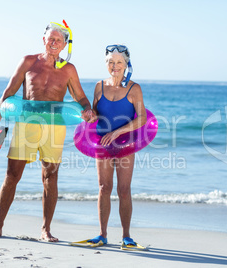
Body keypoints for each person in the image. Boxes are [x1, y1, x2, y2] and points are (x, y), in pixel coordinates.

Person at [0, 22, 94, 242]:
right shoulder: (28, 61)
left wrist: (87, 109)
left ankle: (46, 229)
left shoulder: (68, 69)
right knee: (12, 175)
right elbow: (8, 93)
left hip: (54, 128)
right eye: (50, 39)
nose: (53, 43)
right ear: (43, 40)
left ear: (64, 45)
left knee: (50, 177)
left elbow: (80, 97)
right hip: (27, 124)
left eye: (58, 40)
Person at [87, 44, 147, 247]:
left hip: (125, 145)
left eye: (119, 62)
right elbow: (95, 114)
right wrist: (90, 116)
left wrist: (117, 133)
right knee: (104, 188)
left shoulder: (134, 88)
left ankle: (126, 236)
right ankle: (102, 235)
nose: (115, 66)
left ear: (126, 63)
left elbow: (142, 119)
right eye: (111, 62)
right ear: (106, 64)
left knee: (123, 189)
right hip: (102, 144)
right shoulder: (99, 86)